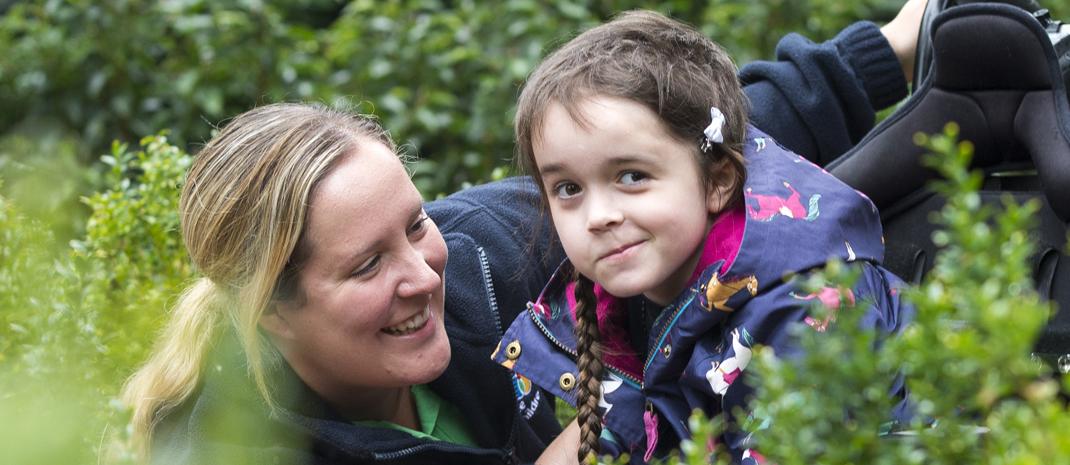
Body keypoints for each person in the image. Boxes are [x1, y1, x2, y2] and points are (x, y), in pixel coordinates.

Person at [119, 2, 925, 464]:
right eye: (367, 264)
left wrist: (888, 46)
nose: (423, 275)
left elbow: (664, 152)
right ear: (269, 309)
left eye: (414, 224)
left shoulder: (476, 252)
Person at [493, 9, 916, 465]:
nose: (598, 217)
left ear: (718, 181)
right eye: (568, 189)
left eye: (632, 176)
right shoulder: (629, 293)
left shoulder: (803, 310)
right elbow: (625, 425)